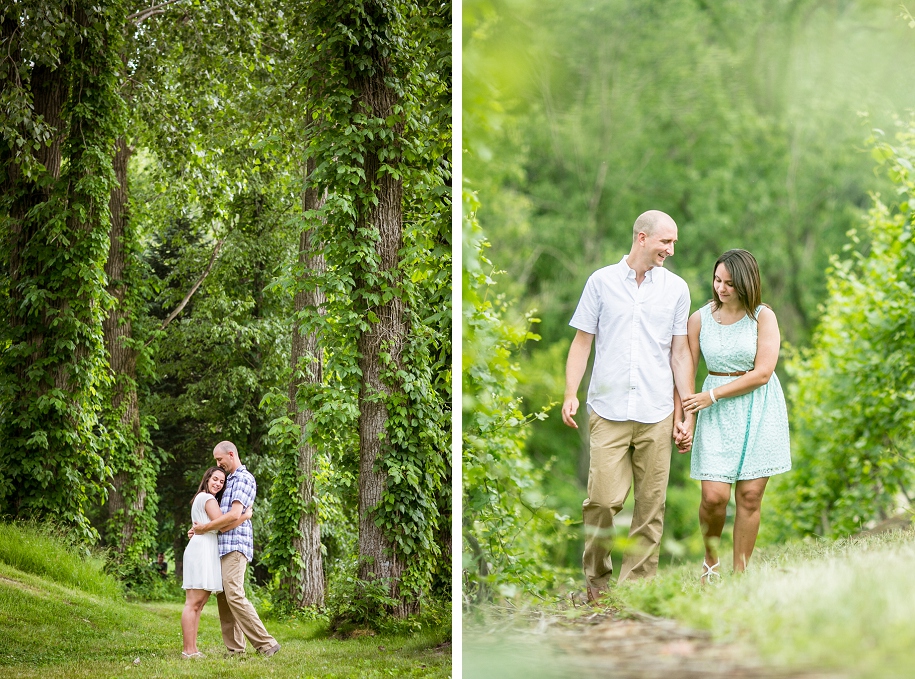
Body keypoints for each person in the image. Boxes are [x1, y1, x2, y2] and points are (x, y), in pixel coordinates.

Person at [562, 210, 695, 602]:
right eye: (665, 242)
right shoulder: (601, 282)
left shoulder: (676, 290)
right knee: (602, 501)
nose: (670, 249)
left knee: (651, 507)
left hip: (657, 410)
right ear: (641, 237)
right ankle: (597, 584)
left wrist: (685, 412)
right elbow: (582, 342)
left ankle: (636, 590)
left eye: (673, 243)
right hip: (608, 409)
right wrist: (571, 392)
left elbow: (680, 354)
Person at [681, 249, 791, 582]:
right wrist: (686, 415)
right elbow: (686, 365)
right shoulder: (699, 319)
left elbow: (762, 373)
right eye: (717, 280)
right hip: (713, 413)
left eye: (730, 283)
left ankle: (740, 574)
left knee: (749, 495)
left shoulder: (763, 317)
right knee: (714, 497)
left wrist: (711, 395)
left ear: (746, 283)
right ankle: (710, 563)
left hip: (758, 407)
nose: (722, 288)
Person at [191, 441, 280, 657]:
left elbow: (233, 515)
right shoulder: (228, 480)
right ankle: (235, 649)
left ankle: (267, 644)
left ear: (231, 454)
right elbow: (220, 516)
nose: (218, 464)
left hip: (235, 545)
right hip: (221, 546)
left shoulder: (243, 478)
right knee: (224, 597)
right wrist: (202, 529)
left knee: (234, 594)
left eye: (220, 460)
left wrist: (205, 528)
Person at [180, 466, 252, 659]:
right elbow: (223, 526)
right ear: (207, 479)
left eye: (222, 481)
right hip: (201, 550)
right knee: (193, 603)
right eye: (215, 479)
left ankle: (192, 649)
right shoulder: (208, 498)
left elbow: (208, 525)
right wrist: (245, 516)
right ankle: (188, 650)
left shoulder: (203, 498)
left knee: (199, 604)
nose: (218, 484)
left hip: (204, 548)